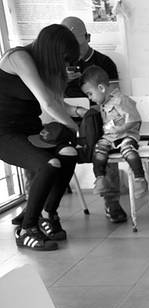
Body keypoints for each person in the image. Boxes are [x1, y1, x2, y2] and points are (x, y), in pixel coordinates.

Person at [0, 24, 82, 251]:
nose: (65, 65)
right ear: (53, 52)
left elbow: (55, 101)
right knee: (48, 164)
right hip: (5, 133)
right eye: (64, 59)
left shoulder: (44, 67)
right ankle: (26, 229)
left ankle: (47, 213)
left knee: (68, 153)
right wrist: (72, 127)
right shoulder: (19, 57)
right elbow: (47, 103)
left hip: (32, 130)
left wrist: (76, 112)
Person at [62, 16, 127, 224]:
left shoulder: (104, 63)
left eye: (77, 45)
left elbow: (114, 98)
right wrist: (63, 80)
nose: (73, 52)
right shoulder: (58, 66)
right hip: (64, 118)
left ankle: (111, 201)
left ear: (88, 37)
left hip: (98, 118)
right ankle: (37, 205)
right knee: (40, 139)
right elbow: (49, 100)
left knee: (107, 139)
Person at [80, 65, 147, 198]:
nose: (90, 98)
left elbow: (135, 120)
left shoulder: (121, 100)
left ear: (101, 88)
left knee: (128, 151)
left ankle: (139, 179)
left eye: (90, 94)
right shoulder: (103, 103)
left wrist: (121, 129)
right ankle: (100, 179)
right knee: (98, 149)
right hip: (111, 137)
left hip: (126, 135)